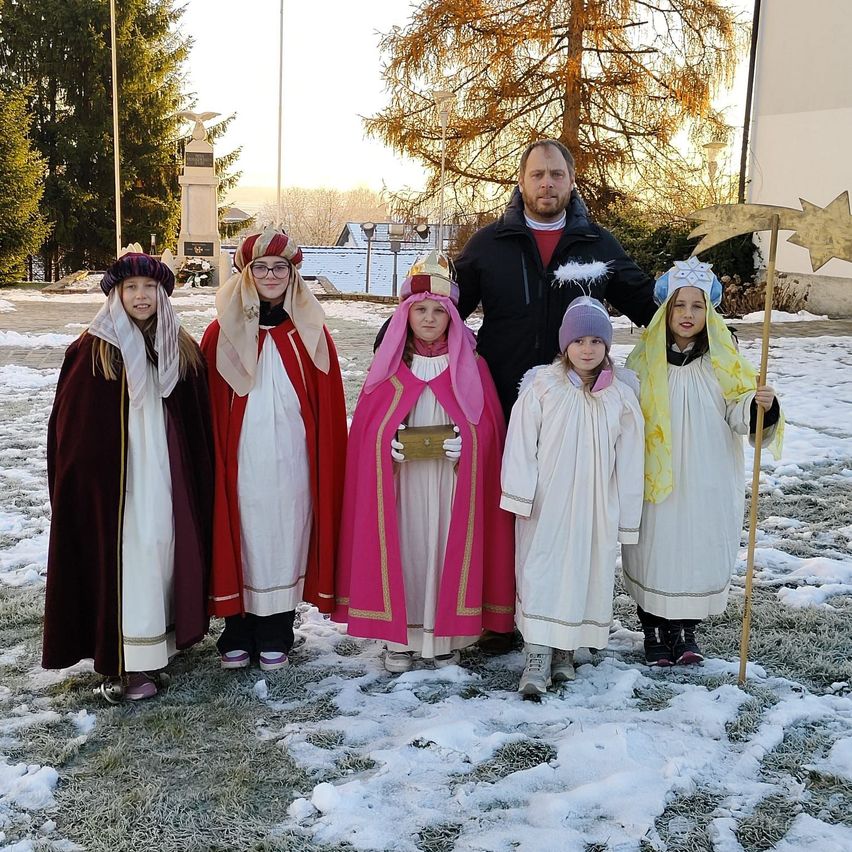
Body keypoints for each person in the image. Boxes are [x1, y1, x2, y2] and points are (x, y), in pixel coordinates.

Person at [43, 249, 213, 702]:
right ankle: (126, 660)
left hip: (167, 474)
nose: (141, 296)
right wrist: (84, 486)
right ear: (115, 294)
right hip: (117, 486)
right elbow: (73, 432)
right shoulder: (93, 349)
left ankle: (160, 641)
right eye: (130, 288)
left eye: (150, 288)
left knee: (163, 548)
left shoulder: (182, 347)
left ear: (163, 294)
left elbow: (198, 425)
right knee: (127, 557)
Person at [334, 251, 515, 673]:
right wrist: (387, 449)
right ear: (406, 315)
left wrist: (467, 448)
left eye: (438, 310)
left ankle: (443, 634)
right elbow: (367, 432)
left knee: (446, 545)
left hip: (452, 484)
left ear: (453, 315)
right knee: (407, 549)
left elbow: (488, 430)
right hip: (402, 486)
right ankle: (401, 636)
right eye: (420, 310)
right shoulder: (389, 368)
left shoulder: (473, 367)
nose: (430, 319)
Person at [622, 257, 783, 666]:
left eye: (697, 306)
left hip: (707, 473)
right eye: (679, 306)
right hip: (656, 477)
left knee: (696, 547)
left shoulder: (722, 362)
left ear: (709, 311)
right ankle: (654, 628)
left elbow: (737, 409)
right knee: (656, 546)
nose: (688, 314)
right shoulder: (642, 362)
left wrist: (759, 404)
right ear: (665, 310)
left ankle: (685, 628)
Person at [201, 228, 347, 671]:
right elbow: (205, 402)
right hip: (238, 459)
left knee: (286, 531)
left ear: (292, 274)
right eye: (259, 267)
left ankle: (277, 627)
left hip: (293, 459)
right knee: (240, 530)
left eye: (279, 268)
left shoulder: (311, 333)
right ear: (246, 274)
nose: (269, 275)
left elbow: (327, 403)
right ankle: (238, 628)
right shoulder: (219, 333)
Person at [500, 296, 644, 696]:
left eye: (596, 341)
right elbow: (521, 443)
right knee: (541, 572)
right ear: (565, 344)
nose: (587, 349)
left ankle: (565, 649)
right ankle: (537, 653)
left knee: (583, 572)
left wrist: (626, 516)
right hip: (547, 502)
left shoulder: (620, 396)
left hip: (594, 505)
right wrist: (520, 495)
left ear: (607, 346)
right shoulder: (542, 386)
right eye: (579, 340)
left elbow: (632, 460)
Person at [455, 138, 657, 423]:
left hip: (577, 408)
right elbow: (445, 305)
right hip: (503, 403)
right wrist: (395, 338)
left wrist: (710, 331)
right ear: (521, 181)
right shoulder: (488, 245)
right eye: (537, 174)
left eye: (557, 174)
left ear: (571, 180)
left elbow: (648, 304)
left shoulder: (597, 244)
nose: (547, 183)